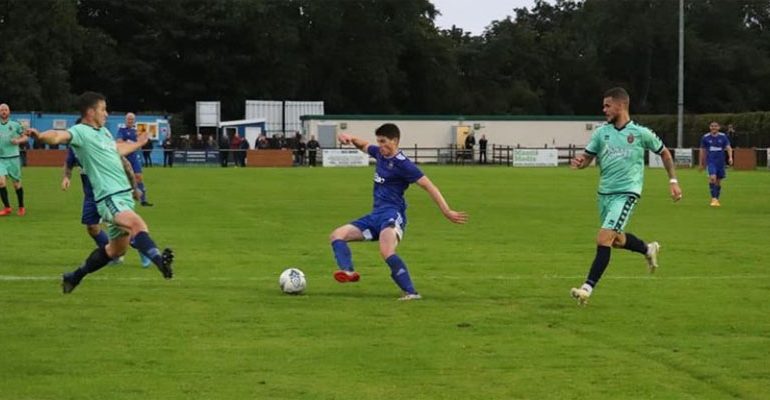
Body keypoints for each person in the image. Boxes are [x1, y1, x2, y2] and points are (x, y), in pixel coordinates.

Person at [29, 91, 174, 293]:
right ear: (90, 112)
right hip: (109, 197)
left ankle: (74, 276)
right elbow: (57, 136)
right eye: (103, 110)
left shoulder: (104, 133)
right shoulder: (80, 131)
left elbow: (115, 149)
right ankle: (160, 261)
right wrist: (40, 135)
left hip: (122, 196)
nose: (106, 114)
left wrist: (139, 144)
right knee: (137, 224)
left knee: (115, 250)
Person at [569, 87, 682, 305]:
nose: (604, 110)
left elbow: (665, 153)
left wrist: (673, 181)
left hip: (627, 193)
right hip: (604, 194)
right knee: (617, 240)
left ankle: (587, 288)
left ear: (621, 105)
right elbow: (587, 158)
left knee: (603, 238)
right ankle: (647, 249)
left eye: (607, 105)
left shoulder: (641, 133)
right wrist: (580, 163)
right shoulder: (602, 133)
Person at [329, 123, 468, 300]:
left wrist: (446, 210)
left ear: (394, 141)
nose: (380, 146)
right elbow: (363, 145)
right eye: (378, 141)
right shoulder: (380, 154)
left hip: (392, 214)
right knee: (336, 236)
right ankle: (347, 271)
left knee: (386, 251)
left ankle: (411, 292)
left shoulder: (404, 165)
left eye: (383, 141)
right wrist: (349, 138)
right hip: (375, 215)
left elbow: (429, 186)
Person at [62, 144, 150, 267]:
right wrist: (66, 177)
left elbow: (126, 165)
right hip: (90, 195)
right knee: (92, 228)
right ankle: (112, 255)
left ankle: (143, 248)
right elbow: (69, 163)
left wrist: (134, 189)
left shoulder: (100, 145)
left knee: (121, 226)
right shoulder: (75, 148)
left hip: (109, 192)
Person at [116, 113, 153, 206]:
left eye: (132, 119)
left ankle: (143, 200)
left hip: (134, 157)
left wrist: (143, 139)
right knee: (122, 179)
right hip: (124, 157)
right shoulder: (122, 130)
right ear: (125, 120)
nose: (130, 121)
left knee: (138, 177)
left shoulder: (136, 131)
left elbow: (141, 141)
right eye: (129, 119)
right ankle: (122, 199)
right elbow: (119, 141)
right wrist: (130, 143)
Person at [0, 103, 29, 216]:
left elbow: (25, 137)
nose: (3, 111)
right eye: (1, 110)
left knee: (16, 184)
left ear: (9, 112)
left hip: (13, 158)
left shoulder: (16, 125)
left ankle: (21, 206)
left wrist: (18, 141)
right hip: (0, 159)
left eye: (5, 110)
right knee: (1, 182)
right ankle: (7, 208)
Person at [699, 121, 733, 207]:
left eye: (715, 126)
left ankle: (716, 199)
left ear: (719, 127)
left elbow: (728, 147)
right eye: (712, 126)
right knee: (712, 178)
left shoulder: (723, 137)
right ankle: (713, 198)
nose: (713, 128)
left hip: (720, 162)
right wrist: (701, 163)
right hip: (711, 162)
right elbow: (702, 151)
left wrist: (730, 157)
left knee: (718, 182)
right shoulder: (705, 137)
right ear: (709, 127)